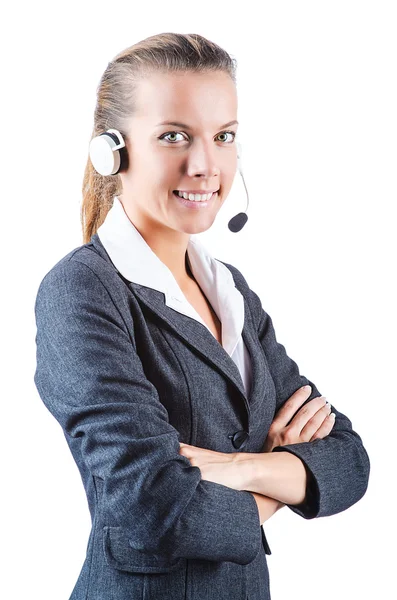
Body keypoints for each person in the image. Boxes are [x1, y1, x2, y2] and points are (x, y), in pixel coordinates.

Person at [33, 32, 370, 600]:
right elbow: (156, 505)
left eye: (224, 136)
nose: (205, 165)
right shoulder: (82, 290)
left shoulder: (230, 290)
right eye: (173, 136)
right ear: (111, 150)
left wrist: (239, 468)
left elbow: (348, 460)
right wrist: (278, 477)